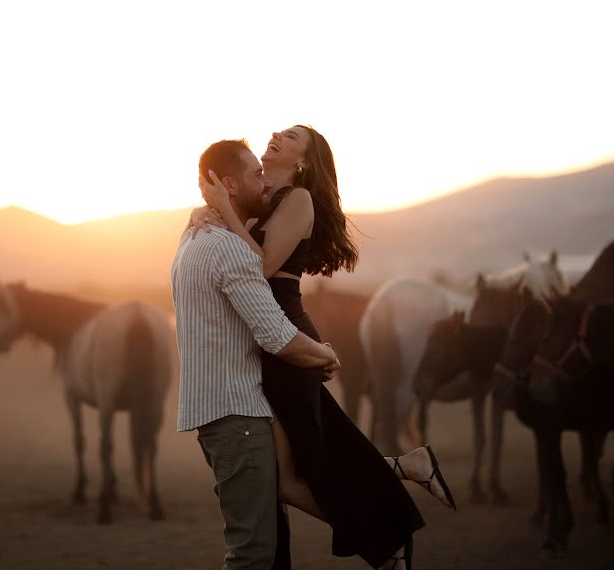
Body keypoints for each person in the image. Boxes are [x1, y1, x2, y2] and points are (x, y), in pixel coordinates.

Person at [190, 126, 456, 569]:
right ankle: (404, 474)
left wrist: (220, 210)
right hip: (268, 341)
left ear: (303, 162)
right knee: (304, 466)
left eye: (291, 136)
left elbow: (259, 265)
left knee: (297, 474)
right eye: (278, 130)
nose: (276, 134)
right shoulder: (265, 201)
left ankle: (386, 546)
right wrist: (206, 213)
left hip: (283, 336)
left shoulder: (297, 200)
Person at [171, 138, 342, 570]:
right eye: (255, 176)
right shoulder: (230, 249)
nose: (263, 183)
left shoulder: (191, 238)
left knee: (263, 545)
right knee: (252, 555)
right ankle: (382, 524)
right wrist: (322, 354)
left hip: (214, 416)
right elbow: (276, 336)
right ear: (229, 184)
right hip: (239, 419)